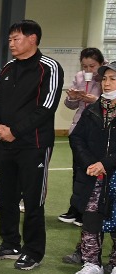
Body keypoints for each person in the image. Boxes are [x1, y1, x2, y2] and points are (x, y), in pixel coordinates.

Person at [0, 20, 63, 271]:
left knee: (32, 200)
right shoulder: (9, 67)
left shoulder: (49, 67)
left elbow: (47, 107)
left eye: (16, 38)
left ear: (32, 39)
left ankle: (33, 251)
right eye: (10, 39)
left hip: (34, 145)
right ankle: (10, 243)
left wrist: (15, 131)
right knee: (6, 197)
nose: (11, 43)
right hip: (6, 143)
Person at [68, 62, 116, 274]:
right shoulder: (93, 110)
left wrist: (105, 163)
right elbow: (76, 138)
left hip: (112, 173)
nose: (107, 83)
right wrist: (90, 163)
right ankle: (92, 263)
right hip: (93, 174)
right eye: (104, 79)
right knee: (90, 216)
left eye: (113, 79)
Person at [58, 47, 105, 226]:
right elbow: (71, 105)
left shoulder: (106, 78)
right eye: (84, 66)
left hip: (99, 131)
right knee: (77, 171)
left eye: (92, 66)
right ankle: (75, 209)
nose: (88, 70)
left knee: (92, 172)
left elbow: (110, 103)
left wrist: (94, 101)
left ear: (101, 63)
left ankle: (87, 211)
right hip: (79, 129)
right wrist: (72, 97)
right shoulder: (79, 77)